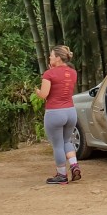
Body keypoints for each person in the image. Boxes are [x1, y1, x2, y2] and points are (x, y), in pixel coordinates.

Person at [35, 45, 81, 185]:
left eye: (51, 55)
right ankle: (74, 165)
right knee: (67, 141)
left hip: (55, 113)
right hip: (70, 112)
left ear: (58, 58)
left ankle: (61, 175)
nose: (49, 57)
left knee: (57, 145)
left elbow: (44, 95)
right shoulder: (73, 72)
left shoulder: (49, 74)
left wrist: (37, 91)